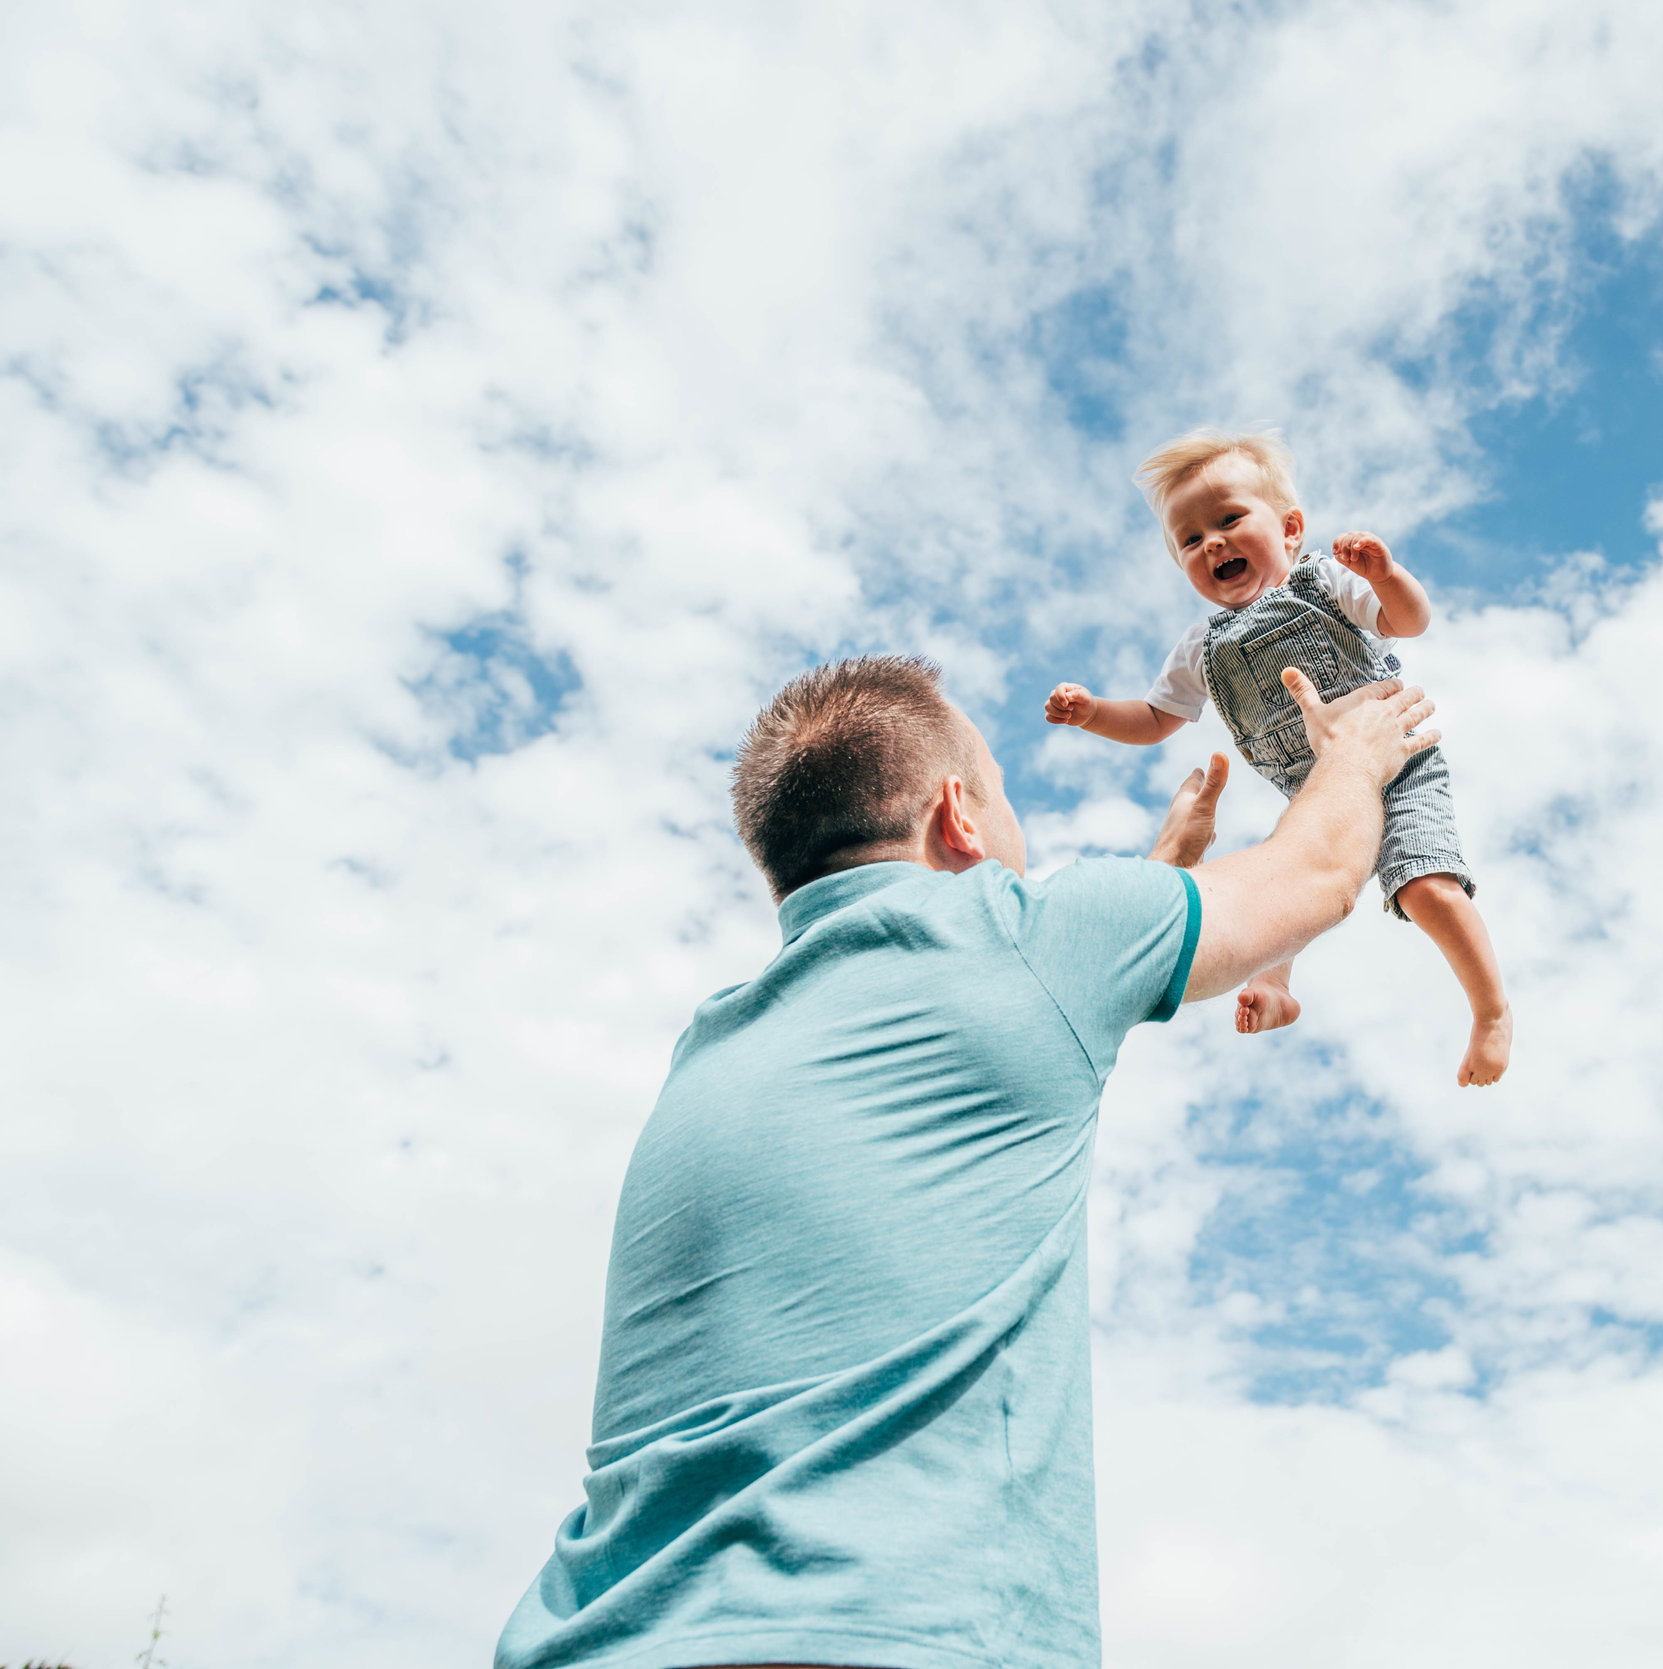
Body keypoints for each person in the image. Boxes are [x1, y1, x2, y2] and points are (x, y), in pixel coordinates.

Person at [495, 652, 1437, 1669]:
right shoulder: (1023, 941)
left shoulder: (709, 1052)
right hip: (891, 1638)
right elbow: (1317, 875)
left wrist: (1148, 902)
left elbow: (996, 1052)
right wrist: (1354, 754)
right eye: (1003, 795)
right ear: (960, 816)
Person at [1044, 429, 1512, 1086]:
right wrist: (1092, 711)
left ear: (1290, 529)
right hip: (1318, 791)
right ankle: (1276, 988)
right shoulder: (1198, 647)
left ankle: (1490, 1010)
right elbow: (1154, 720)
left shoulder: (1321, 582)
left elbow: (1408, 622)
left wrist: (1385, 575)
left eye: (1230, 518)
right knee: (1276, 895)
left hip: (1397, 766)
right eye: (1190, 538)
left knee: (1424, 886)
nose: (1211, 541)